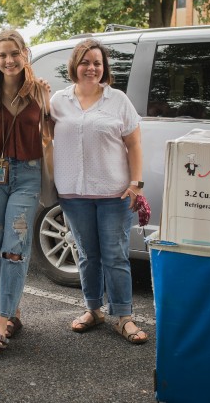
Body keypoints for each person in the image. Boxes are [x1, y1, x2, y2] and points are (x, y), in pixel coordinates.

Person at [49, 39, 148, 344]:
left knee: (115, 256)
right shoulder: (57, 101)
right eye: (85, 62)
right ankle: (93, 309)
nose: (91, 68)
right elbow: (42, 136)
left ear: (104, 68)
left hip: (114, 194)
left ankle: (123, 316)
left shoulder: (117, 100)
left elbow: (134, 144)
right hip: (73, 194)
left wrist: (136, 183)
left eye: (97, 63)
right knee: (87, 256)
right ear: (74, 66)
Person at [0, 30, 50, 358]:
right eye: (3, 54)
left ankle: (0, 321)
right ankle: (12, 312)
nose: (9, 60)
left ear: (25, 55)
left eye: (14, 53)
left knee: (15, 247)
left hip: (27, 175)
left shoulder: (41, 91)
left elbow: (54, 130)